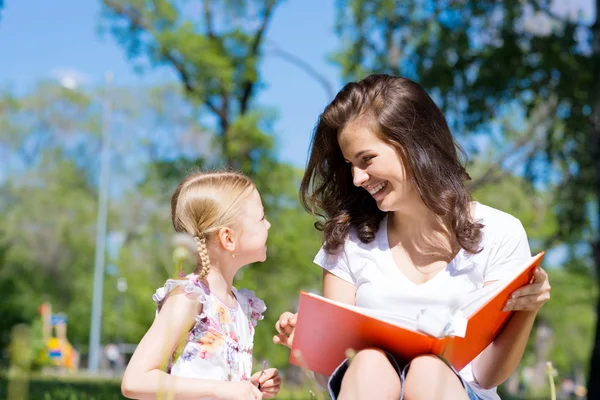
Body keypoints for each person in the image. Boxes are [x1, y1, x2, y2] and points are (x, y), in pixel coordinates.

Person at [273, 74, 551, 400]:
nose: (357, 178)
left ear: (413, 144)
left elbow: (486, 376)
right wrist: (310, 345)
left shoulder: (501, 232)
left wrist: (527, 309)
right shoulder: (347, 241)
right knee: (369, 364)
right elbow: (334, 374)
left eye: (367, 160)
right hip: (367, 388)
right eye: (350, 165)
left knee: (429, 370)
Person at [122, 170, 281, 400]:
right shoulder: (189, 298)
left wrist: (251, 387)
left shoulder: (242, 305)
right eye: (261, 218)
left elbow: (221, 379)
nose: (268, 225)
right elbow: (135, 380)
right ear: (228, 238)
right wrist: (221, 390)